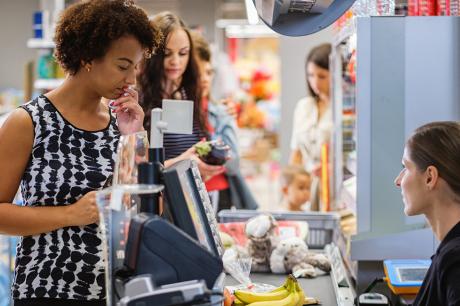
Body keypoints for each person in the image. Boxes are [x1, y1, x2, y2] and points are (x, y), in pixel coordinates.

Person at [0, 1, 160, 305]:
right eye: (123, 66)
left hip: (116, 291)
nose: (131, 80)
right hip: (48, 289)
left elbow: (151, 210)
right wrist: (69, 214)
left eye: (135, 68)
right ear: (88, 57)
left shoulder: (122, 122)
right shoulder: (29, 122)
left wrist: (135, 137)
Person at [138, 12, 223, 181]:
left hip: (188, 196)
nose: (175, 61)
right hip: (156, 202)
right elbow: (136, 170)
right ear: (153, 54)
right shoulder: (138, 102)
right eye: (167, 54)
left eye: (183, 53)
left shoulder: (189, 95)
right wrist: (184, 162)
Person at [394, 121, 460, 306]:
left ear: (430, 177)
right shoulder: (448, 252)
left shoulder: (455, 261)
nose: (398, 181)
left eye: (406, 168)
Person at [192, 31, 258, 211]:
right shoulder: (175, 112)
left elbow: (233, 163)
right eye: (198, 72)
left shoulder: (220, 112)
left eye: (209, 72)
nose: (205, 79)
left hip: (219, 194)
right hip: (186, 194)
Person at [289, 43, 333, 210]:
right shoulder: (303, 107)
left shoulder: (345, 110)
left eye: (321, 76)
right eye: (310, 75)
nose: (315, 82)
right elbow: (296, 153)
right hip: (306, 188)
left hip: (334, 186)